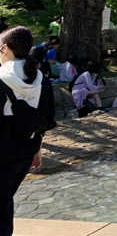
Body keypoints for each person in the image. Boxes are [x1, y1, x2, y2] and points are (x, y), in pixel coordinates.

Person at [0, 26, 57, 236]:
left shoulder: (1, 76)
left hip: (3, 152)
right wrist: (37, 149)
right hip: (24, 152)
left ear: (5, 48)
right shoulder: (40, 78)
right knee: (4, 201)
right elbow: (46, 119)